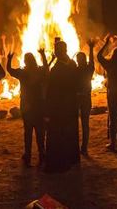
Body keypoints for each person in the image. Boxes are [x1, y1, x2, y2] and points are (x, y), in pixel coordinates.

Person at [44, 39, 80, 172]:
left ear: (58, 52)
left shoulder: (57, 69)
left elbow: (52, 91)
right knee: (71, 132)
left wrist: (48, 111)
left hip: (60, 107)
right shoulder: (72, 64)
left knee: (59, 134)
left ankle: (61, 163)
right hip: (71, 105)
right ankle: (72, 158)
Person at [6, 51, 47, 167]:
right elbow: (46, 68)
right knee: (40, 132)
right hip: (39, 106)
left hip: (27, 107)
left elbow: (9, 70)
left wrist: (9, 58)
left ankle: (28, 156)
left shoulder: (22, 73)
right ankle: (42, 155)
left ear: (25, 61)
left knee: (28, 133)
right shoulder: (39, 71)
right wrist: (43, 55)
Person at [76, 40, 96, 155]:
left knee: (80, 123)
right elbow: (92, 61)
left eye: (79, 59)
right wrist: (91, 48)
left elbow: (92, 61)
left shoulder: (76, 70)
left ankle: (83, 147)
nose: (78, 60)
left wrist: (91, 49)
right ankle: (83, 147)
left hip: (80, 99)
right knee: (84, 124)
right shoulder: (88, 69)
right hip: (84, 98)